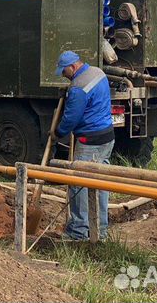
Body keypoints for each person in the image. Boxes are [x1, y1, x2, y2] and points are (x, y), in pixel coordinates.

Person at [52, 50, 115, 241]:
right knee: (100, 182)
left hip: (89, 140)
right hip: (107, 136)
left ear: (73, 67)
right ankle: (100, 230)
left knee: (78, 183)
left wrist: (58, 133)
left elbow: (71, 118)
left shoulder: (78, 88)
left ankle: (78, 231)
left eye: (64, 72)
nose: (64, 76)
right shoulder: (98, 73)